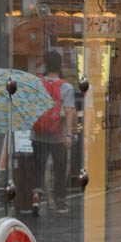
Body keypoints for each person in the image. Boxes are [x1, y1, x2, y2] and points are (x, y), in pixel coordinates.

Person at [30, 50, 77, 214]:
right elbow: (69, 111)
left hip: (38, 133)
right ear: (60, 66)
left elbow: (33, 108)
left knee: (39, 168)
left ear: (45, 65)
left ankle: (36, 196)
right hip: (58, 135)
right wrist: (69, 135)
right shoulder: (66, 87)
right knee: (60, 168)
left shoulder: (37, 84)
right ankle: (60, 201)